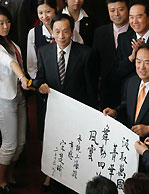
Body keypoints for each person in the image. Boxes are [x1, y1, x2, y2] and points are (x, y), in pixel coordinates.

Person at [36, 13, 97, 193]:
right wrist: (40, 87)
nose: (61, 36)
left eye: (65, 31)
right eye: (57, 32)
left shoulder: (86, 53)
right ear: (51, 32)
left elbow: (91, 89)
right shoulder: (44, 52)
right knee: (56, 146)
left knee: (75, 149)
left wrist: (92, 115)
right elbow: (39, 79)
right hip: (54, 111)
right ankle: (52, 176)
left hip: (78, 112)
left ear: (72, 31)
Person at [0, 6, 30, 194]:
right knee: (10, 144)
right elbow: (10, 63)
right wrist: (22, 78)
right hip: (4, 99)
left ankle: (9, 177)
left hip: (18, 96)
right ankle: (0, 180)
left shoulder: (12, 44)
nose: (6, 26)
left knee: (20, 143)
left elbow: (18, 61)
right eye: (1, 23)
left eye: (8, 22)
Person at [104, 43, 149, 141]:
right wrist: (115, 113)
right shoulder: (131, 82)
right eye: (138, 61)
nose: (141, 67)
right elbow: (126, 105)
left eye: (147, 63)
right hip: (129, 142)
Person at [26, 1, 57, 192]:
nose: (45, 16)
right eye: (40, 12)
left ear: (56, 10)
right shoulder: (34, 33)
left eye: (48, 11)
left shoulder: (65, 25)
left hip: (66, 89)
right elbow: (31, 63)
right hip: (44, 88)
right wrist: (38, 83)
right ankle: (48, 172)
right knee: (47, 130)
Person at [92, 0, 131, 111]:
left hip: (130, 90)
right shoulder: (100, 32)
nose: (116, 14)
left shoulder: (136, 31)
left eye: (121, 9)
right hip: (107, 91)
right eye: (112, 10)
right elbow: (95, 63)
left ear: (128, 9)